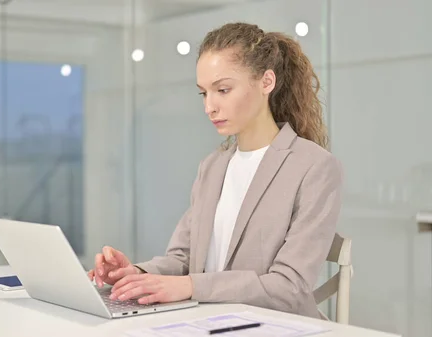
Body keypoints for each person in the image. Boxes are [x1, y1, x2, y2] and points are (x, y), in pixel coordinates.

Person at [88, 22, 343, 319]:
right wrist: (135, 274)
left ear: (266, 82)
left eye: (222, 90)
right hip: (205, 320)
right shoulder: (212, 167)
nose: (210, 107)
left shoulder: (314, 167)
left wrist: (190, 286)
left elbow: (290, 287)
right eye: (204, 94)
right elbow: (183, 258)